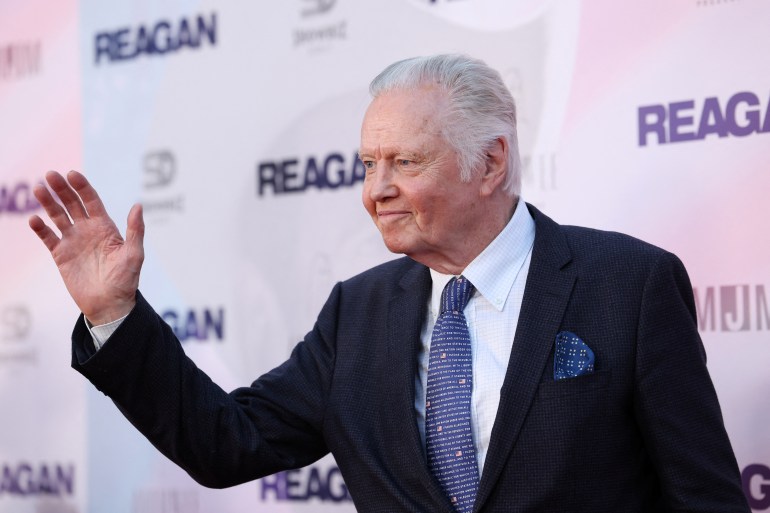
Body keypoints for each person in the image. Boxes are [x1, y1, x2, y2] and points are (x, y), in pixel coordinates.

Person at [29, 54, 749, 512]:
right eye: (368, 164)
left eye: (403, 162)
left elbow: (704, 497)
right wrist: (117, 314)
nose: (376, 191)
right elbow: (229, 442)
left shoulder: (629, 284)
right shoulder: (358, 311)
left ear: (491, 162)